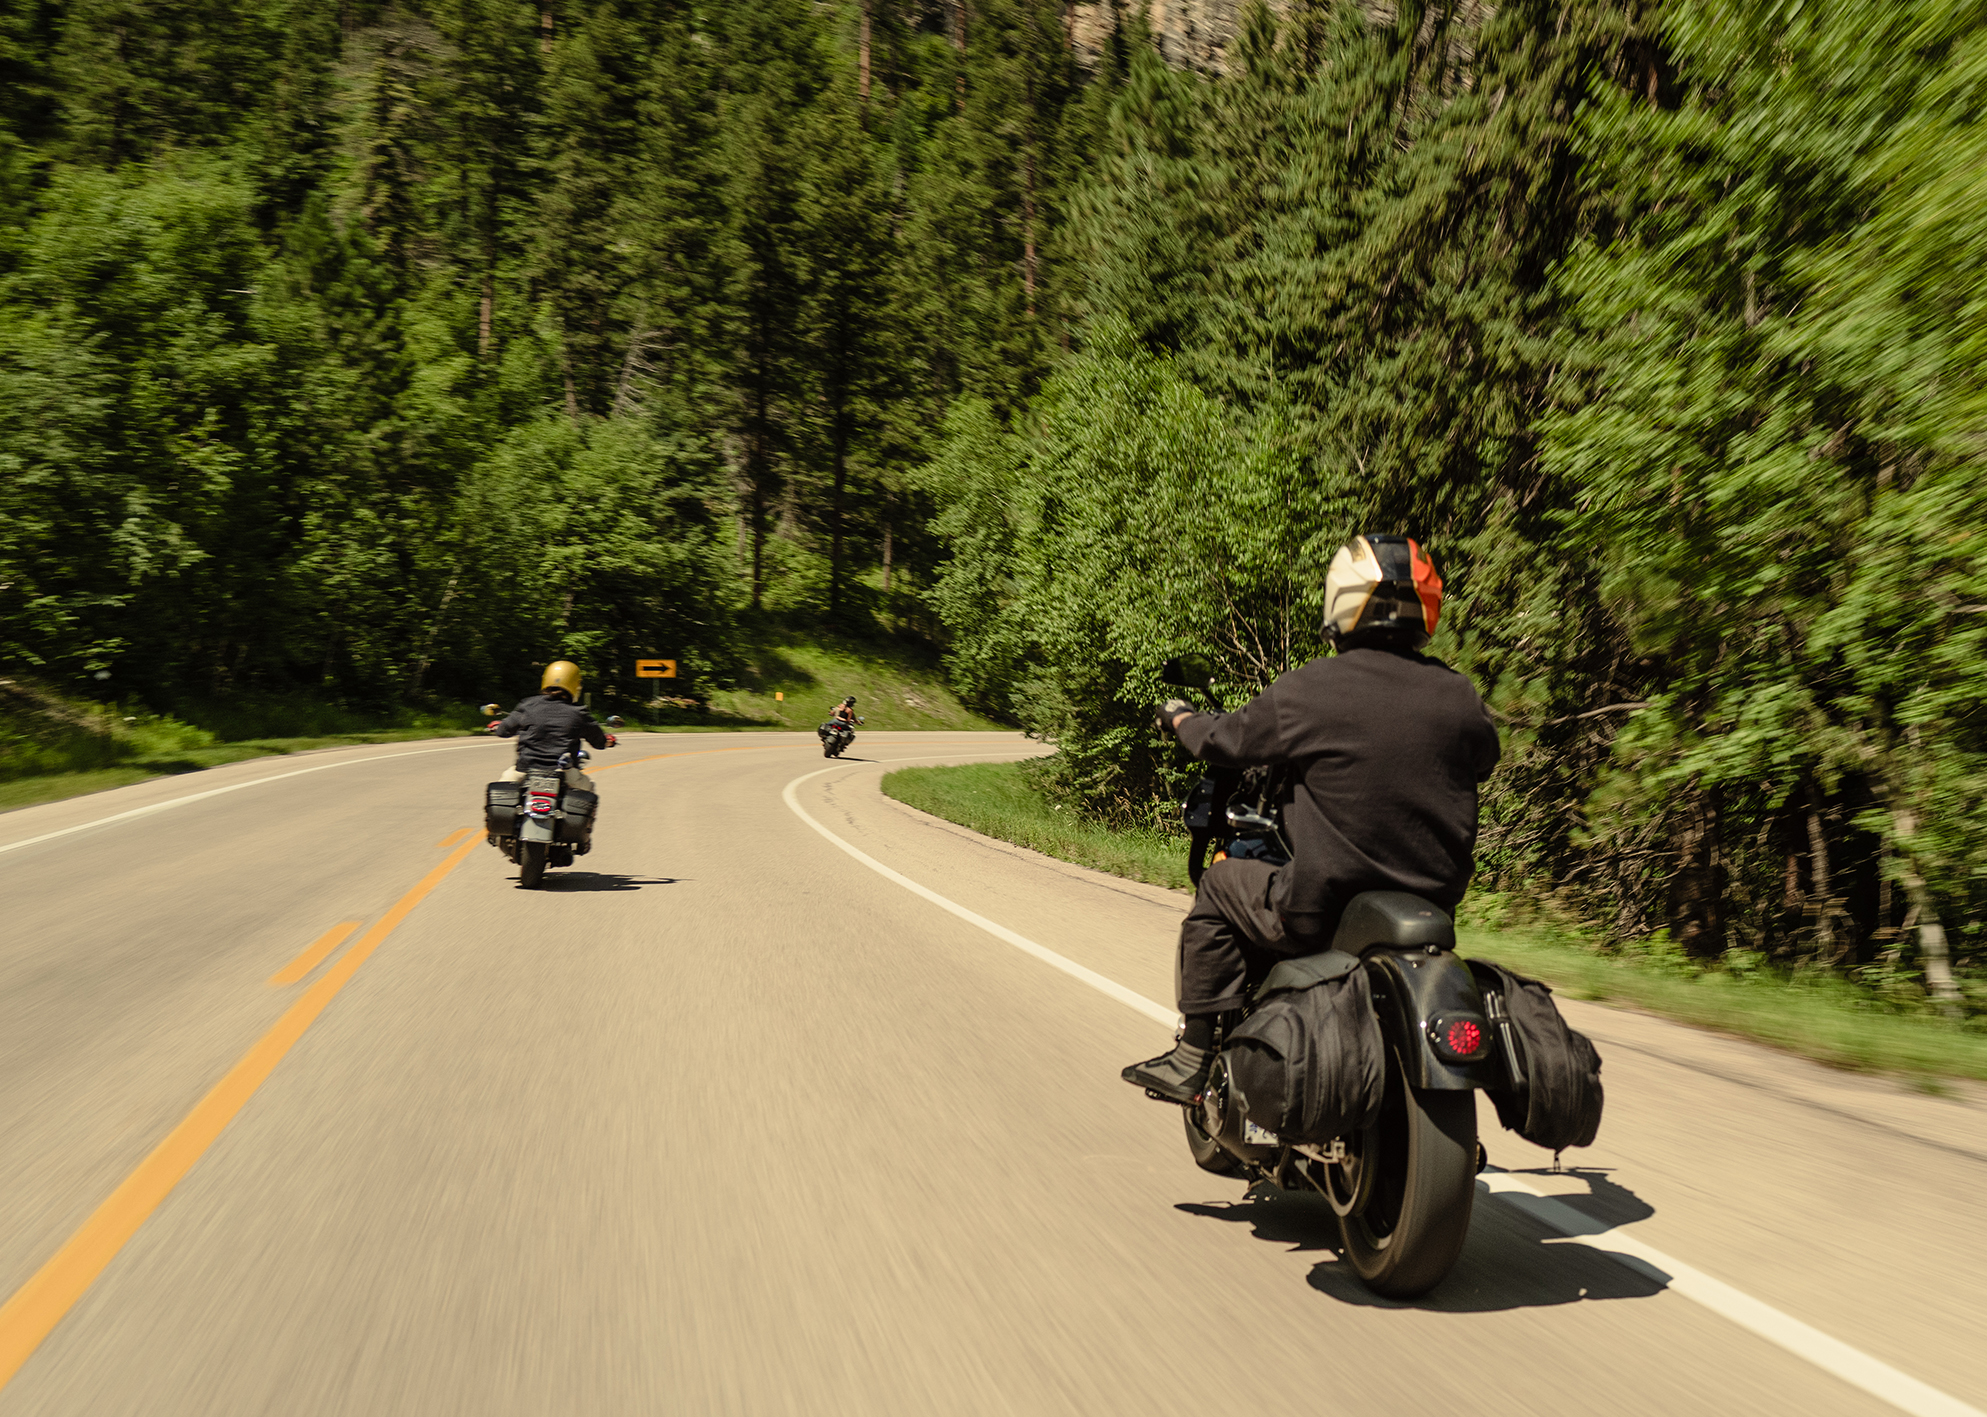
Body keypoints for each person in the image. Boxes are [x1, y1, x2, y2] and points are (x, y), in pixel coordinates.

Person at [1121, 534, 1501, 1105]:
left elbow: (1226, 741)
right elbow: (1485, 758)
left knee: (1222, 884)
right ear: (1426, 609)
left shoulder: (1313, 686)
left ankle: (1194, 1055)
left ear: (1341, 602)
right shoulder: (1458, 694)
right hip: (1430, 910)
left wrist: (1180, 719)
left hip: (1321, 909)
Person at [488, 660, 614, 793]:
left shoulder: (528, 705)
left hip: (525, 769)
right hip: (564, 772)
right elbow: (599, 742)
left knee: (501, 791)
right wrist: (608, 741)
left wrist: (499, 725)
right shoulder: (579, 713)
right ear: (576, 684)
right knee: (588, 790)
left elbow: (503, 731)